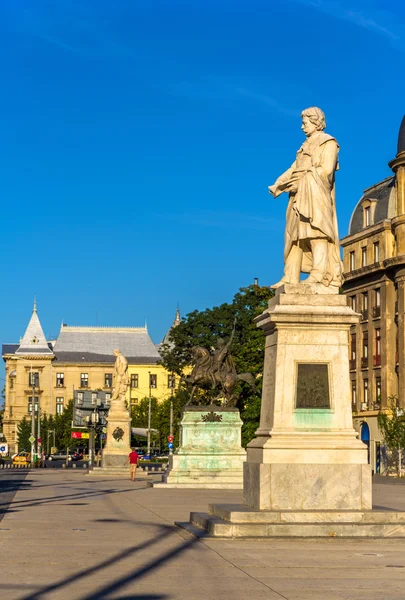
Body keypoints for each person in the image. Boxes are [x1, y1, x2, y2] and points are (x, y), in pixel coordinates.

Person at [268, 107, 343, 288]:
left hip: (315, 192)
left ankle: (319, 273)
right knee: (295, 236)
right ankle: (290, 276)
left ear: (315, 122)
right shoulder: (304, 146)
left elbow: (326, 172)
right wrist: (279, 183)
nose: (302, 127)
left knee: (317, 231)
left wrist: (301, 182)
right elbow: (294, 168)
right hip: (298, 194)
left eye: (305, 123)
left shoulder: (328, 142)